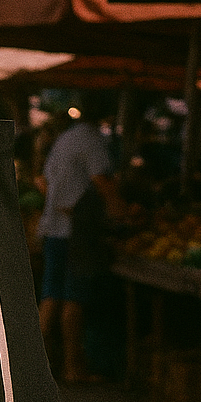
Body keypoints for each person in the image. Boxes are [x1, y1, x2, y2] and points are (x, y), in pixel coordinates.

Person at [37, 98, 123, 384]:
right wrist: (120, 213)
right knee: (74, 298)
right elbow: (102, 181)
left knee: (51, 295)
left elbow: (43, 181)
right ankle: (73, 368)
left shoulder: (65, 139)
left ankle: (33, 370)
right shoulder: (92, 140)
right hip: (76, 233)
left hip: (53, 229)